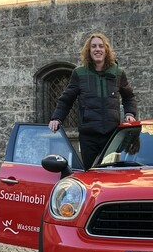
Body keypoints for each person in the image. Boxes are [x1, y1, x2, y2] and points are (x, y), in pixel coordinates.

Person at [49, 32, 137, 169]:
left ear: (106, 50)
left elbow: (129, 97)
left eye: (101, 46)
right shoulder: (79, 73)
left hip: (111, 135)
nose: (98, 49)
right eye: (94, 46)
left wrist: (130, 113)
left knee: (111, 174)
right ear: (88, 51)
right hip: (88, 136)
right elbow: (66, 100)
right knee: (91, 173)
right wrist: (57, 118)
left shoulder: (118, 73)